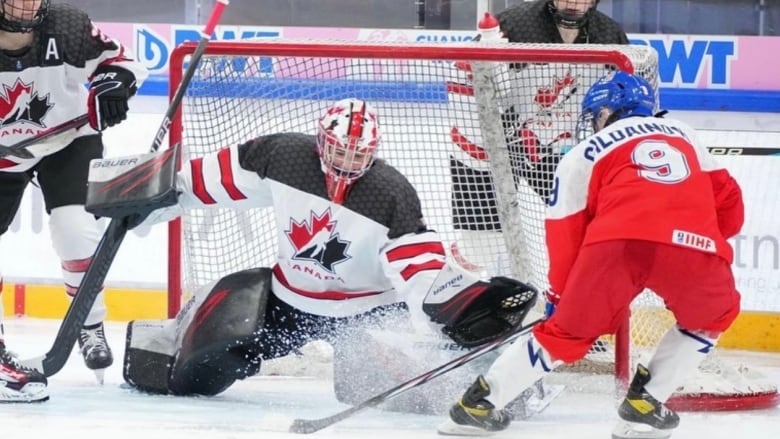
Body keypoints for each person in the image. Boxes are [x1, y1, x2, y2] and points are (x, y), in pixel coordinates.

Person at [111, 98, 538, 408]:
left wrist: (443, 314)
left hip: (364, 313)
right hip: (288, 302)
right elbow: (207, 180)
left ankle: (505, 380)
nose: (348, 161)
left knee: (401, 392)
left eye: (358, 154)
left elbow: (416, 266)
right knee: (193, 374)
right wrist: (150, 198)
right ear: (321, 142)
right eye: (340, 150)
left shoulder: (391, 193)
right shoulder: (283, 157)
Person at [438, 71, 744, 439]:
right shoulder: (684, 133)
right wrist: (702, 237)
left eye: (598, 114)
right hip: (691, 243)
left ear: (612, 111)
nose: (596, 122)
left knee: (564, 334)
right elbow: (730, 204)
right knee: (710, 317)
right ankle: (644, 403)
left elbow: (564, 231)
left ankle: (476, 405)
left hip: (614, 245)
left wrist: (562, 295)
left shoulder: (581, 154)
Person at [0, 0, 148, 400]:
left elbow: (123, 61)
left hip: (67, 138)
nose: (27, 5)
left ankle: (89, 323)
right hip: (2, 153)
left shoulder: (66, 26)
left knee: (75, 229)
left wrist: (115, 82)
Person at [449, 0, 629, 274]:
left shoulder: (609, 35)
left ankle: (573, 298)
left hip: (553, 146)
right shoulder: (514, 25)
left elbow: (621, 98)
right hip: (488, 145)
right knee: (481, 245)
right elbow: (466, 79)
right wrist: (490, 143)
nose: (573, 3)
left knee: (588, 224)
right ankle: (448, 296)